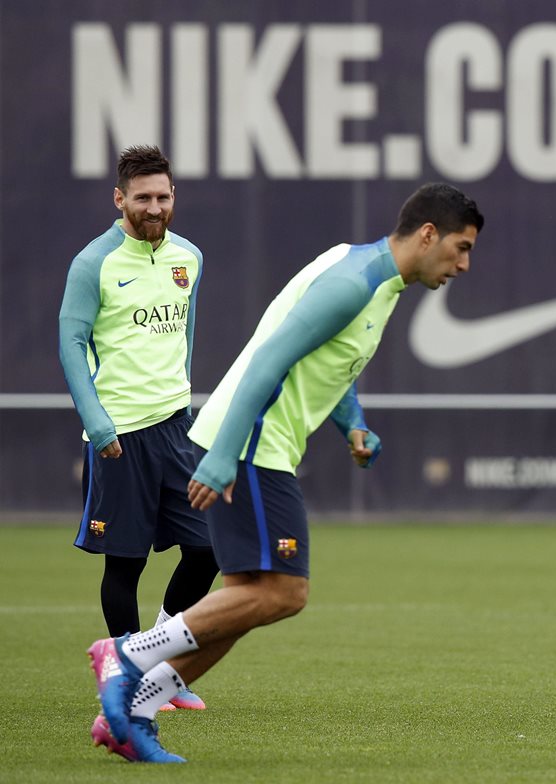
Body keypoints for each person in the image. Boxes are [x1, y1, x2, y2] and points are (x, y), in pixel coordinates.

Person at [86, 182, 484, 763]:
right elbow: (271, 355)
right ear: (428, 234)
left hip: (256, 445)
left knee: (246, 601)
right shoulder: (354, 283)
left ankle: (129, 716)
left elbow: (328, 361)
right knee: (284, 592)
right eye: (462, 247)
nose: (465, 264)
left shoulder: (374, 275)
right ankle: (128, 655)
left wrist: (352, 423)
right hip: (251, 445)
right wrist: (223, 455)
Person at [59, 145, 218, 737]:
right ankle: (126, 684)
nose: (155, 207)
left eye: (164, 196)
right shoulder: (93, 263)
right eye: (143, 197)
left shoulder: (189, 258)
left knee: (208, 549)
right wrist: (98, 424)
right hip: (118, 433)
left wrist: (185, 401)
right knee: (124, 564)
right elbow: (71, 344)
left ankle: (155, 668)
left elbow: (187, 335)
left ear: (174, 197)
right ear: (120, 199)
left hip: (175, 427)